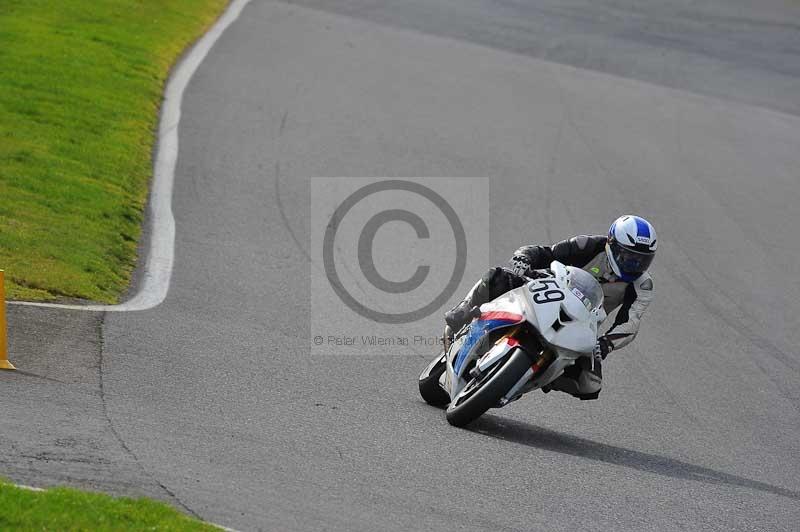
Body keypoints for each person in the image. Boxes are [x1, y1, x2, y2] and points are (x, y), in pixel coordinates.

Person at [444, 215, 657, 400]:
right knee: (497, 277)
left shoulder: (643, 285)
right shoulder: (588, 245)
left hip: (582, 323)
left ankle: (541, 374)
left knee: (589, 385)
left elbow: (630, 321)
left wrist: (606, 344)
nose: (634, 265)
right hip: (546, 291)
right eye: (628, 256)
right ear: (611, 243)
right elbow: (546, 252)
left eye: (641, 260)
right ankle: (464, 309)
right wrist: (524, 258)